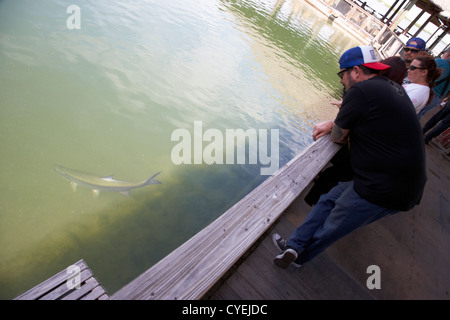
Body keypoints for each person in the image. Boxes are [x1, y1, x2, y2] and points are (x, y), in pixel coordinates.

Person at [272, 46, 427, 269]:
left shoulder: (361, 91)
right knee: (329, 199)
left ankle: (299, 259)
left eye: (341, 74)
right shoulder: (391, 87)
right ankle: (294, 245)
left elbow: (337, 137)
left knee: (336, 224)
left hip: (389, 187)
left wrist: (335, 125)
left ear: (355, 71)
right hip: (387, 176)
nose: (342, 81)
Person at [417, 48, 450, 119]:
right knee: (417, 115)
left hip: (426, 92)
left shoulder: (440, 62)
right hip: (436, 100)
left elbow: (420, 73)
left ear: (448, 54)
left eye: (443, 53)